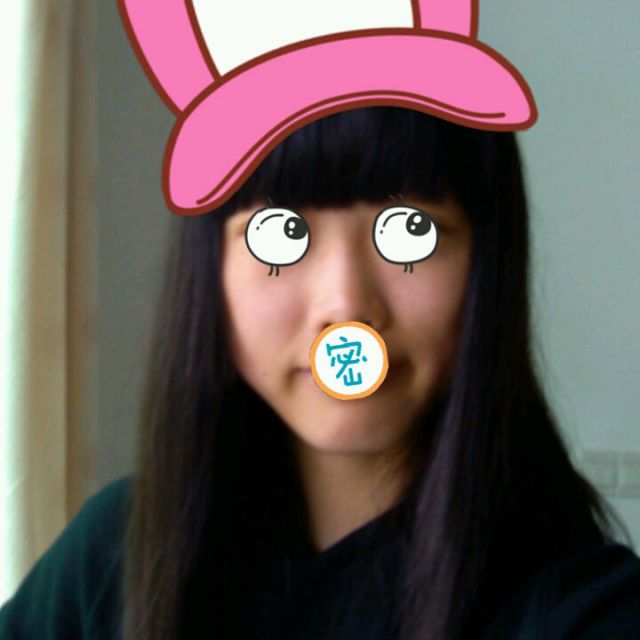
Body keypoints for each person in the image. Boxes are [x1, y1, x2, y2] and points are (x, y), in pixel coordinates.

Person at [1, 107, 639, 640]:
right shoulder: (113, 554)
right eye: (281, 234)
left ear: (487, 264)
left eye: (410, 230)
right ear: (209, 271)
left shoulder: (587, 609)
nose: (346, 305)